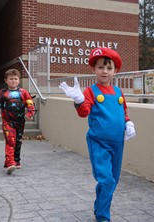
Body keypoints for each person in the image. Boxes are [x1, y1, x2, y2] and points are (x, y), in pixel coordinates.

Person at [59, 47, 136, 222]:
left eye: (109, 68)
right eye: (101, 67)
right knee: (106, 180)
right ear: (93, 69)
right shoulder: (90, 91)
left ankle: (99, 205)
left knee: (112, 181)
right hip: (99, 143)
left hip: (118, 143)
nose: (104, 71)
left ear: (115, 71)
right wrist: (79, 100)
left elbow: (123, 111)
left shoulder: (118, 92)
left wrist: (128, 122)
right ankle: (102, 216)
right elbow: (84, 112)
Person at [0, 68, 35, 175]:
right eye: (10, 79)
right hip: (8, 122)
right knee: (10, 141)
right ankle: (9, 163)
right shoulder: (3, 93)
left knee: (18, 141)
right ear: (6, 80)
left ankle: (17, 160)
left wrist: (30, 113)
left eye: (15, 79)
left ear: (19, 80)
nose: (13, 81)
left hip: (20, 121)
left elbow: (30, 104)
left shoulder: (23, 92)